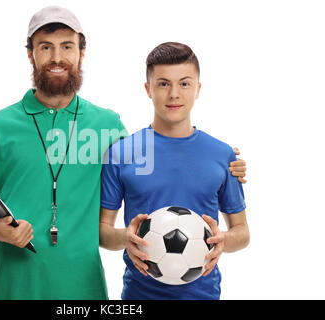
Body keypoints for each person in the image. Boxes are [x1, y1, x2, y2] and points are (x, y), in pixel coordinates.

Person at [0, 6, 247, 300]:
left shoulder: (108, 126)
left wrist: (221, 159)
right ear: (31, 54)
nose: (57, 57)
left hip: (85, 291)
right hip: (13, 288)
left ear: (82, 52)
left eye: (67, 46)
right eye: (45, 47)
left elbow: (154, 156)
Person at [99, 42, 250, 300]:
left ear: (198, 89)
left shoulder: (222, 154)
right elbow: (102, 232)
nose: (174, 94)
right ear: (148, 89)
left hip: (204, 294)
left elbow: (242, 232)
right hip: (139, 295)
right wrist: (127, 238)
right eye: (163, 83)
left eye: (184, 83)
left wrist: (223, 240)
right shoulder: (120, 153)